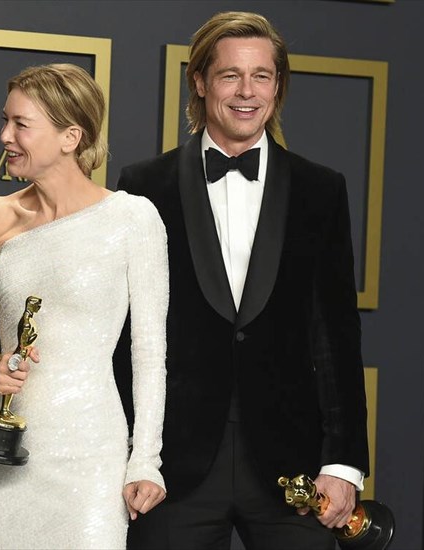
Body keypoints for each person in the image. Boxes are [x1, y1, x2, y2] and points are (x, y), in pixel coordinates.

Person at [114, 11, 369, 550]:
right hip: (171, 467)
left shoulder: (321, 190)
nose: (247, 92)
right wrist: (130, 454)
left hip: (295, 467)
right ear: (200, 82)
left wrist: (344, 461)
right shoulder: (143, 186)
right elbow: (126, 335)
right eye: (230, 75)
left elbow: (337, 334)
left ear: (278, 86)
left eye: (262, 76)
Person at [0, 63, 168, 549]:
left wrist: (145, 459)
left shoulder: (132, 218)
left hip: (91, 454)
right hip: (5, 448)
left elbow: (148, 352)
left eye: (21, 124)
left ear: (70, 137)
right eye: (5, 121)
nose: (4, 136)